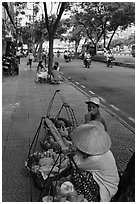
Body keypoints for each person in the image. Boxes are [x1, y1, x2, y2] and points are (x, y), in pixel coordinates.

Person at [70, 122, 120, 202]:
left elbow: (76, 163)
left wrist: (72, 149)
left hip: (107, 188)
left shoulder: (96, 158)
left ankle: (89, 199)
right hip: (109, 181)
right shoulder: (103, 150)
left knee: (77, 174)